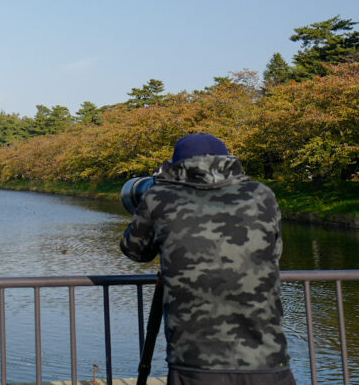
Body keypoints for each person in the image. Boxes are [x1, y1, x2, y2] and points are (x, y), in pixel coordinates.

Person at [120, 133, 294, 385]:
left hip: (194, 359)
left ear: (176, 165)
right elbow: (274, 253)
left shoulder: (159, 198)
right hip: (267, 356)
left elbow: (134, 250)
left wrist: (153, 197)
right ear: (227, 161)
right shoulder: (261, 194)